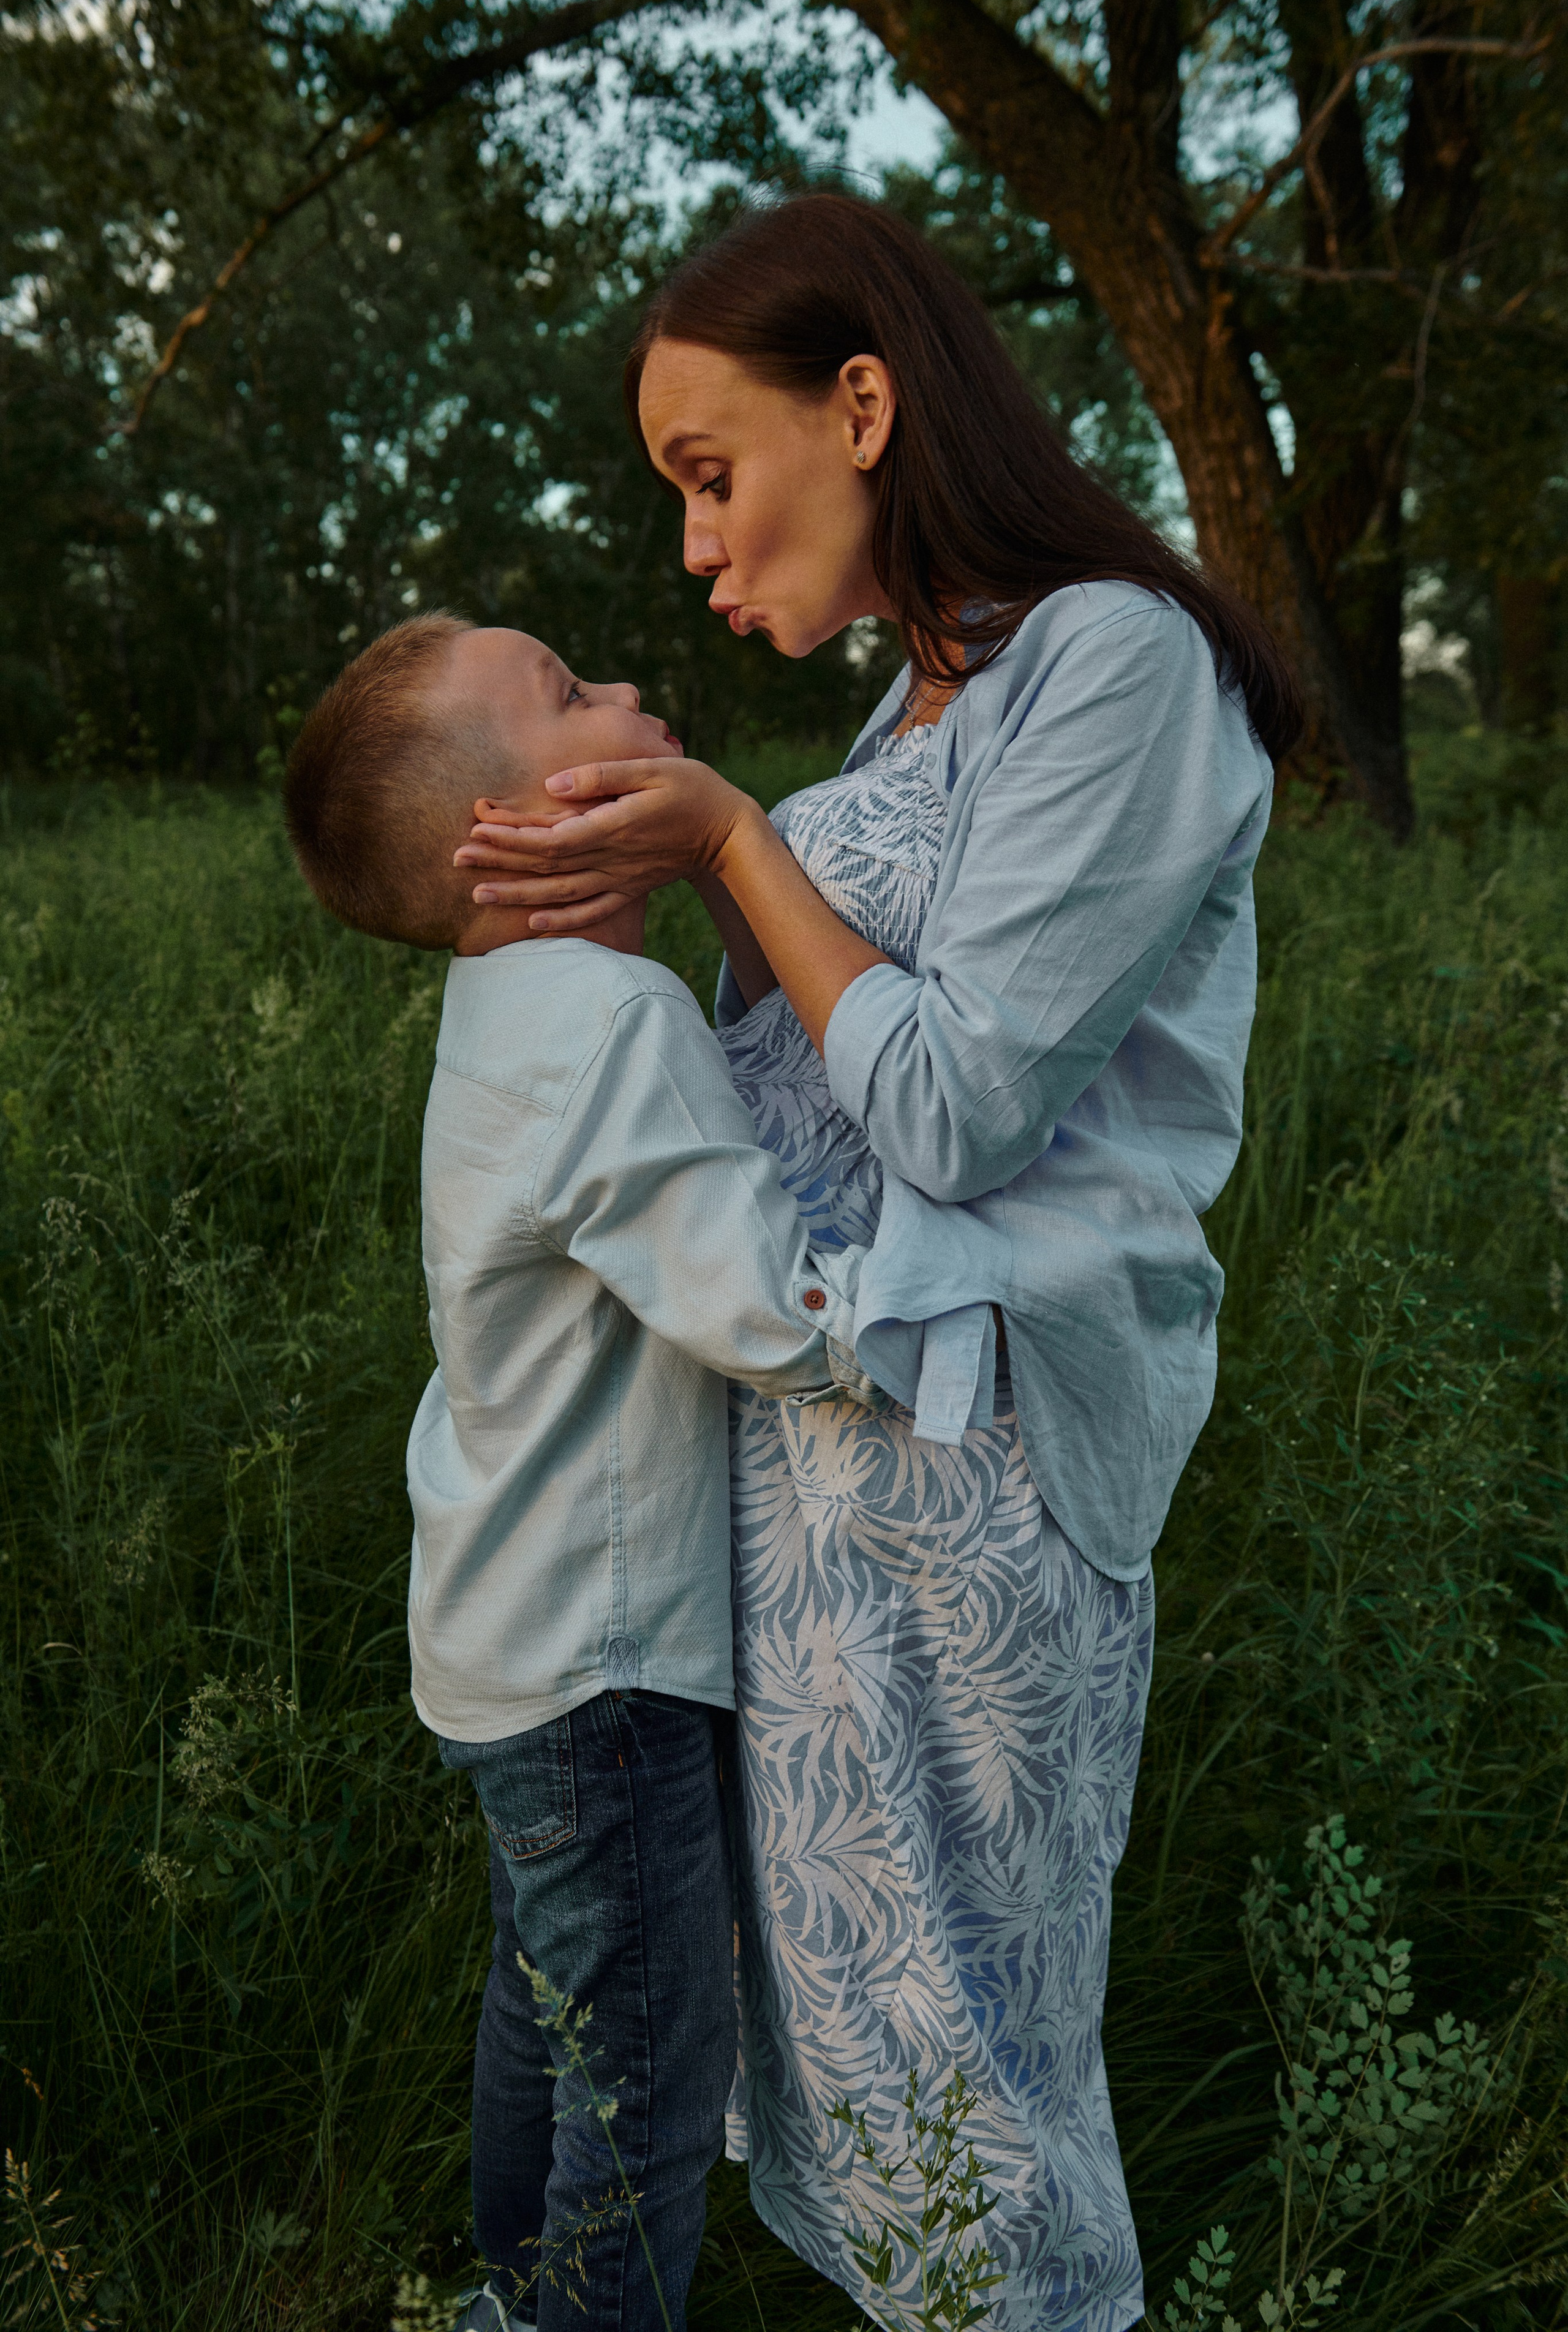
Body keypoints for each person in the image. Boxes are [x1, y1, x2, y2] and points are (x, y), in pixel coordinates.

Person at [452, 193, 1300, 2331]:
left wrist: (730, 837)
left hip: (971, 1458)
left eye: (708, 476)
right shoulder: (912, 711)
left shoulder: (1118, 661)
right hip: (815, 1462)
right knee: (850, 2076)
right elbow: (820, 1053)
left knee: (975, 2087)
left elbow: (954, 1105)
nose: (695, 552)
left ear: (865, 401)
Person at [282, 610, 879, 2332]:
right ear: (514, 839)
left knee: (550, 2002)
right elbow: (772, 1311)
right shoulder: (607, 1019)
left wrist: (712, 877)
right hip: (602, 1656)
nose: (625, 691)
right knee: (650, 2061)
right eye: (567, 694)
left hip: (507, 1628)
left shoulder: (515, 1002)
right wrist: (938, 1299)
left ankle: (507, 2299)